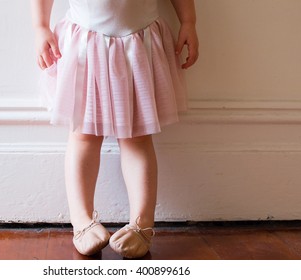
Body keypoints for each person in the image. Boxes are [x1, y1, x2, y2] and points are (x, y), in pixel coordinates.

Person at [31, 0, 199, 258]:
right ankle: (82, 221)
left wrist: (189, 21)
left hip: (138, 46)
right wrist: (40, 25)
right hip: (86, 46)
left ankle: (142, 224)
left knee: (137, 138)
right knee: (83, 136)